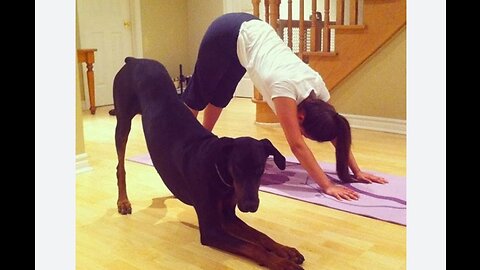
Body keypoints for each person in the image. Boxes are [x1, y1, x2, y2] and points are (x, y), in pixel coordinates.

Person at [183, 13, 387, 200]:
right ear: (301, 118)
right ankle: (183, 146)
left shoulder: (317, 88)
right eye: (307, 134)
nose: (305, 136)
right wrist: (327, 185)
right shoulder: (283, 88)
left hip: (248, 38)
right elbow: (297, 145)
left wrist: (356, 171)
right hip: (226, 31)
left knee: (220, 95)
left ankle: (203, 142)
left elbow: (337, 131)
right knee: (198, 95)